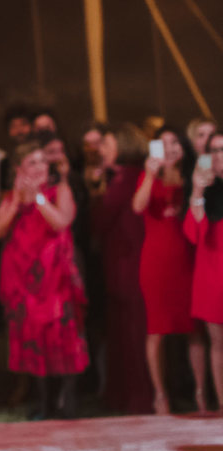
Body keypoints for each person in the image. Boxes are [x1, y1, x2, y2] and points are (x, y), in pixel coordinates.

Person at [0, 142, 88, 420]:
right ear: (18, 169)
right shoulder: (10, 197)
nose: (39, 167)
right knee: (32, 336)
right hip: (24, 275)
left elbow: (62, 222)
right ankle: (42, 401)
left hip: (54, 275)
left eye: (43, 162)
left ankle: (67, 398)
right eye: (32, 163)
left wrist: (38, 199)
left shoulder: (59, 190)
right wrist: (18, 200)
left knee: (61, 333)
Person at [132, 124, 207, 413]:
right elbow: (138, 206)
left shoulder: (192, 176)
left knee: (194, 329)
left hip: (189, 259)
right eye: (163, 144)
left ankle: (201, 393)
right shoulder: (147, 176)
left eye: (175, 142)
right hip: (156, 262)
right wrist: (151, 175)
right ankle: (160, 395)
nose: (170, 149)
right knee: (157, 331)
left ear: (182, 146)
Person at [91, 123, 153, 414]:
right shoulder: (126, 177)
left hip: (128, 265)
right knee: (125, 333)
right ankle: (127, 396)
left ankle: (135, 398)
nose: (100, 149)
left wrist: (95, 191)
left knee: (130, 334)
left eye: (106, 144)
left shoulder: (125, 179)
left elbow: (100, 219)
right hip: (123, 263)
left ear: (122, 146)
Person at [184, 131, 223, 412]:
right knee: (218, 343)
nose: (221, 156)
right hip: (213, 270)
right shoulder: (206, 189)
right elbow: (194, 233)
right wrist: (197, 191)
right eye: (216, 150)